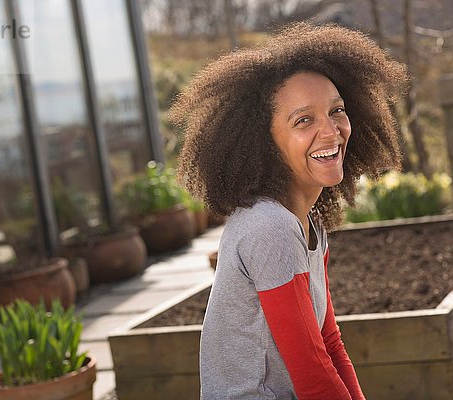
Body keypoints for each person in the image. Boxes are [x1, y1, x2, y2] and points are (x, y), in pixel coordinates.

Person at [171, 22, 409, 399]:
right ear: (263, 141)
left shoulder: (306, 223)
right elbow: (312, 374)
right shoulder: (269, 226)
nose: (331, 131)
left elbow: (329, 342)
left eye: (337, 111)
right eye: (304, 120)